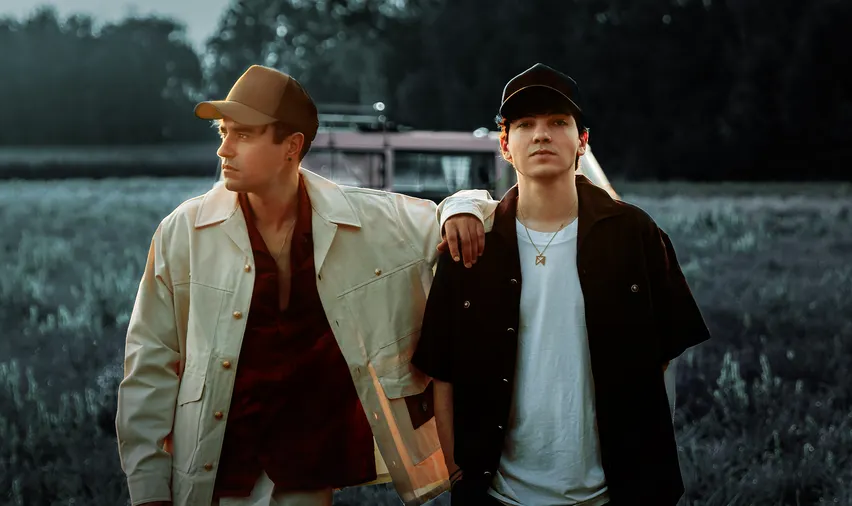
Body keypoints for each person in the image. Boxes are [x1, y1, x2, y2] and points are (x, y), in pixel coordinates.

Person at [115, 64, 494, 506]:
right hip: (210, 472)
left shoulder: (364, 219)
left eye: (243, 135)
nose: (224, 149)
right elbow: (149, 365)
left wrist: (462, 208)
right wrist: (148, 492)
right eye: (223, 132)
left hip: (307, 476)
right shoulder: (183, 232)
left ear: (292, 146)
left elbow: (478, 213)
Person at [412, 63, 712, 506]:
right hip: (500, 494)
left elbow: (664, 357)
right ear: (505, 145)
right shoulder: (471, 246)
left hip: (614, 493)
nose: (541, 135)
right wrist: (458, 471)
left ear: (582, 141)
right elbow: (443, 371)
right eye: (525, 124)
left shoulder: (634, 234)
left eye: (557, 122)